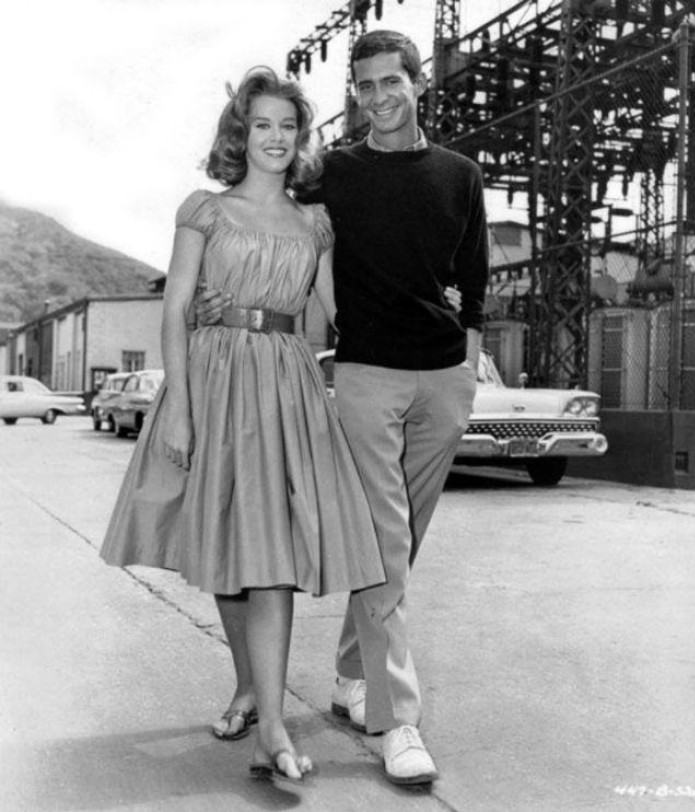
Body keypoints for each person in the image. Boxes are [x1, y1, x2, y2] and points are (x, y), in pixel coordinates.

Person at [198, 29, 489, 787]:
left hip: (444, 377)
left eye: (392, 81)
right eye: (365, 86)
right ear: (354, 95)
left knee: (401, 544)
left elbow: (474, 278)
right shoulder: (334, 173)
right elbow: (270, 223)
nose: (379, 97)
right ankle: (397, 723)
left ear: (418, 82)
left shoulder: (460, 174)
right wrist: (223, 303)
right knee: (384, 544)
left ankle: (354, 676)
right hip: (365, 373)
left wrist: (468, 362)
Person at [100, 66, 386, 782]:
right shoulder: (205, 209)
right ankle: (251, 690)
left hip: (286, 387)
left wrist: (418, 298)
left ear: (301, 137)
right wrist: (180, 407)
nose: (276, 137)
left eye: (288, 126)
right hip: (214, 380)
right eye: (263, 125)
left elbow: (342, 309)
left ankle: (272, 730)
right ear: (241, 133)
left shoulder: (315, 223)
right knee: (231, 550)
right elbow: (175, 309)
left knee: (273, 560)